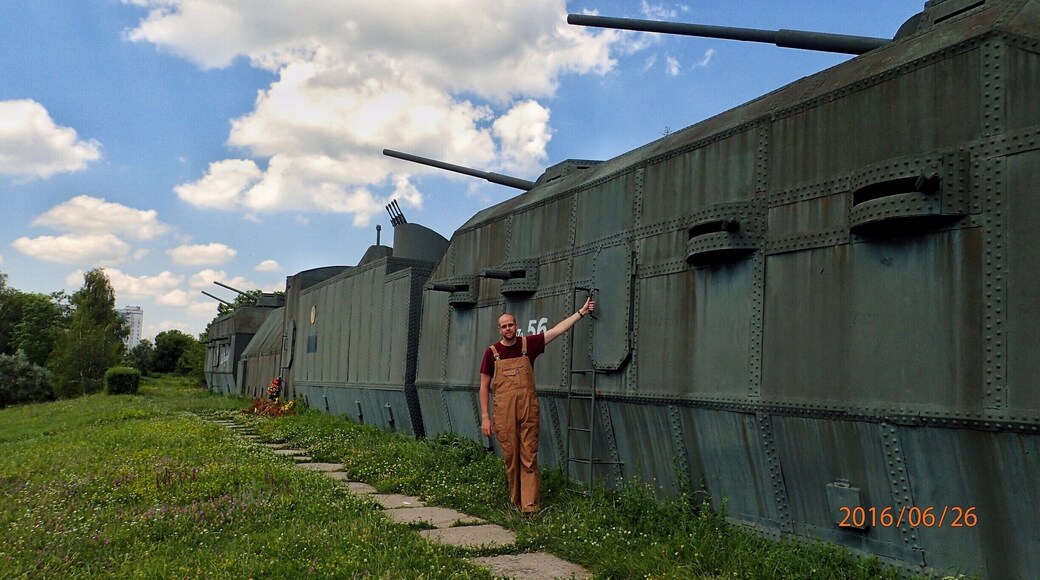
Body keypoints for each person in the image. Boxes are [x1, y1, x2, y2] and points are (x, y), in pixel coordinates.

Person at [479, 296, 596, 513]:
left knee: (529, 455)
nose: (508, 329)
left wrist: (581, 313)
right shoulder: (492, 353)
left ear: (517, 326)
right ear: (499, 330)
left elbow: (557, 330)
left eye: (511, 325)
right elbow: (484, 387)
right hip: (503, 412)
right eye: (504, 326)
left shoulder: (528, 345)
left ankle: (530, 507)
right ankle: (515, 502)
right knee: (511, 457)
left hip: (527, 409)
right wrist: (485, 417)